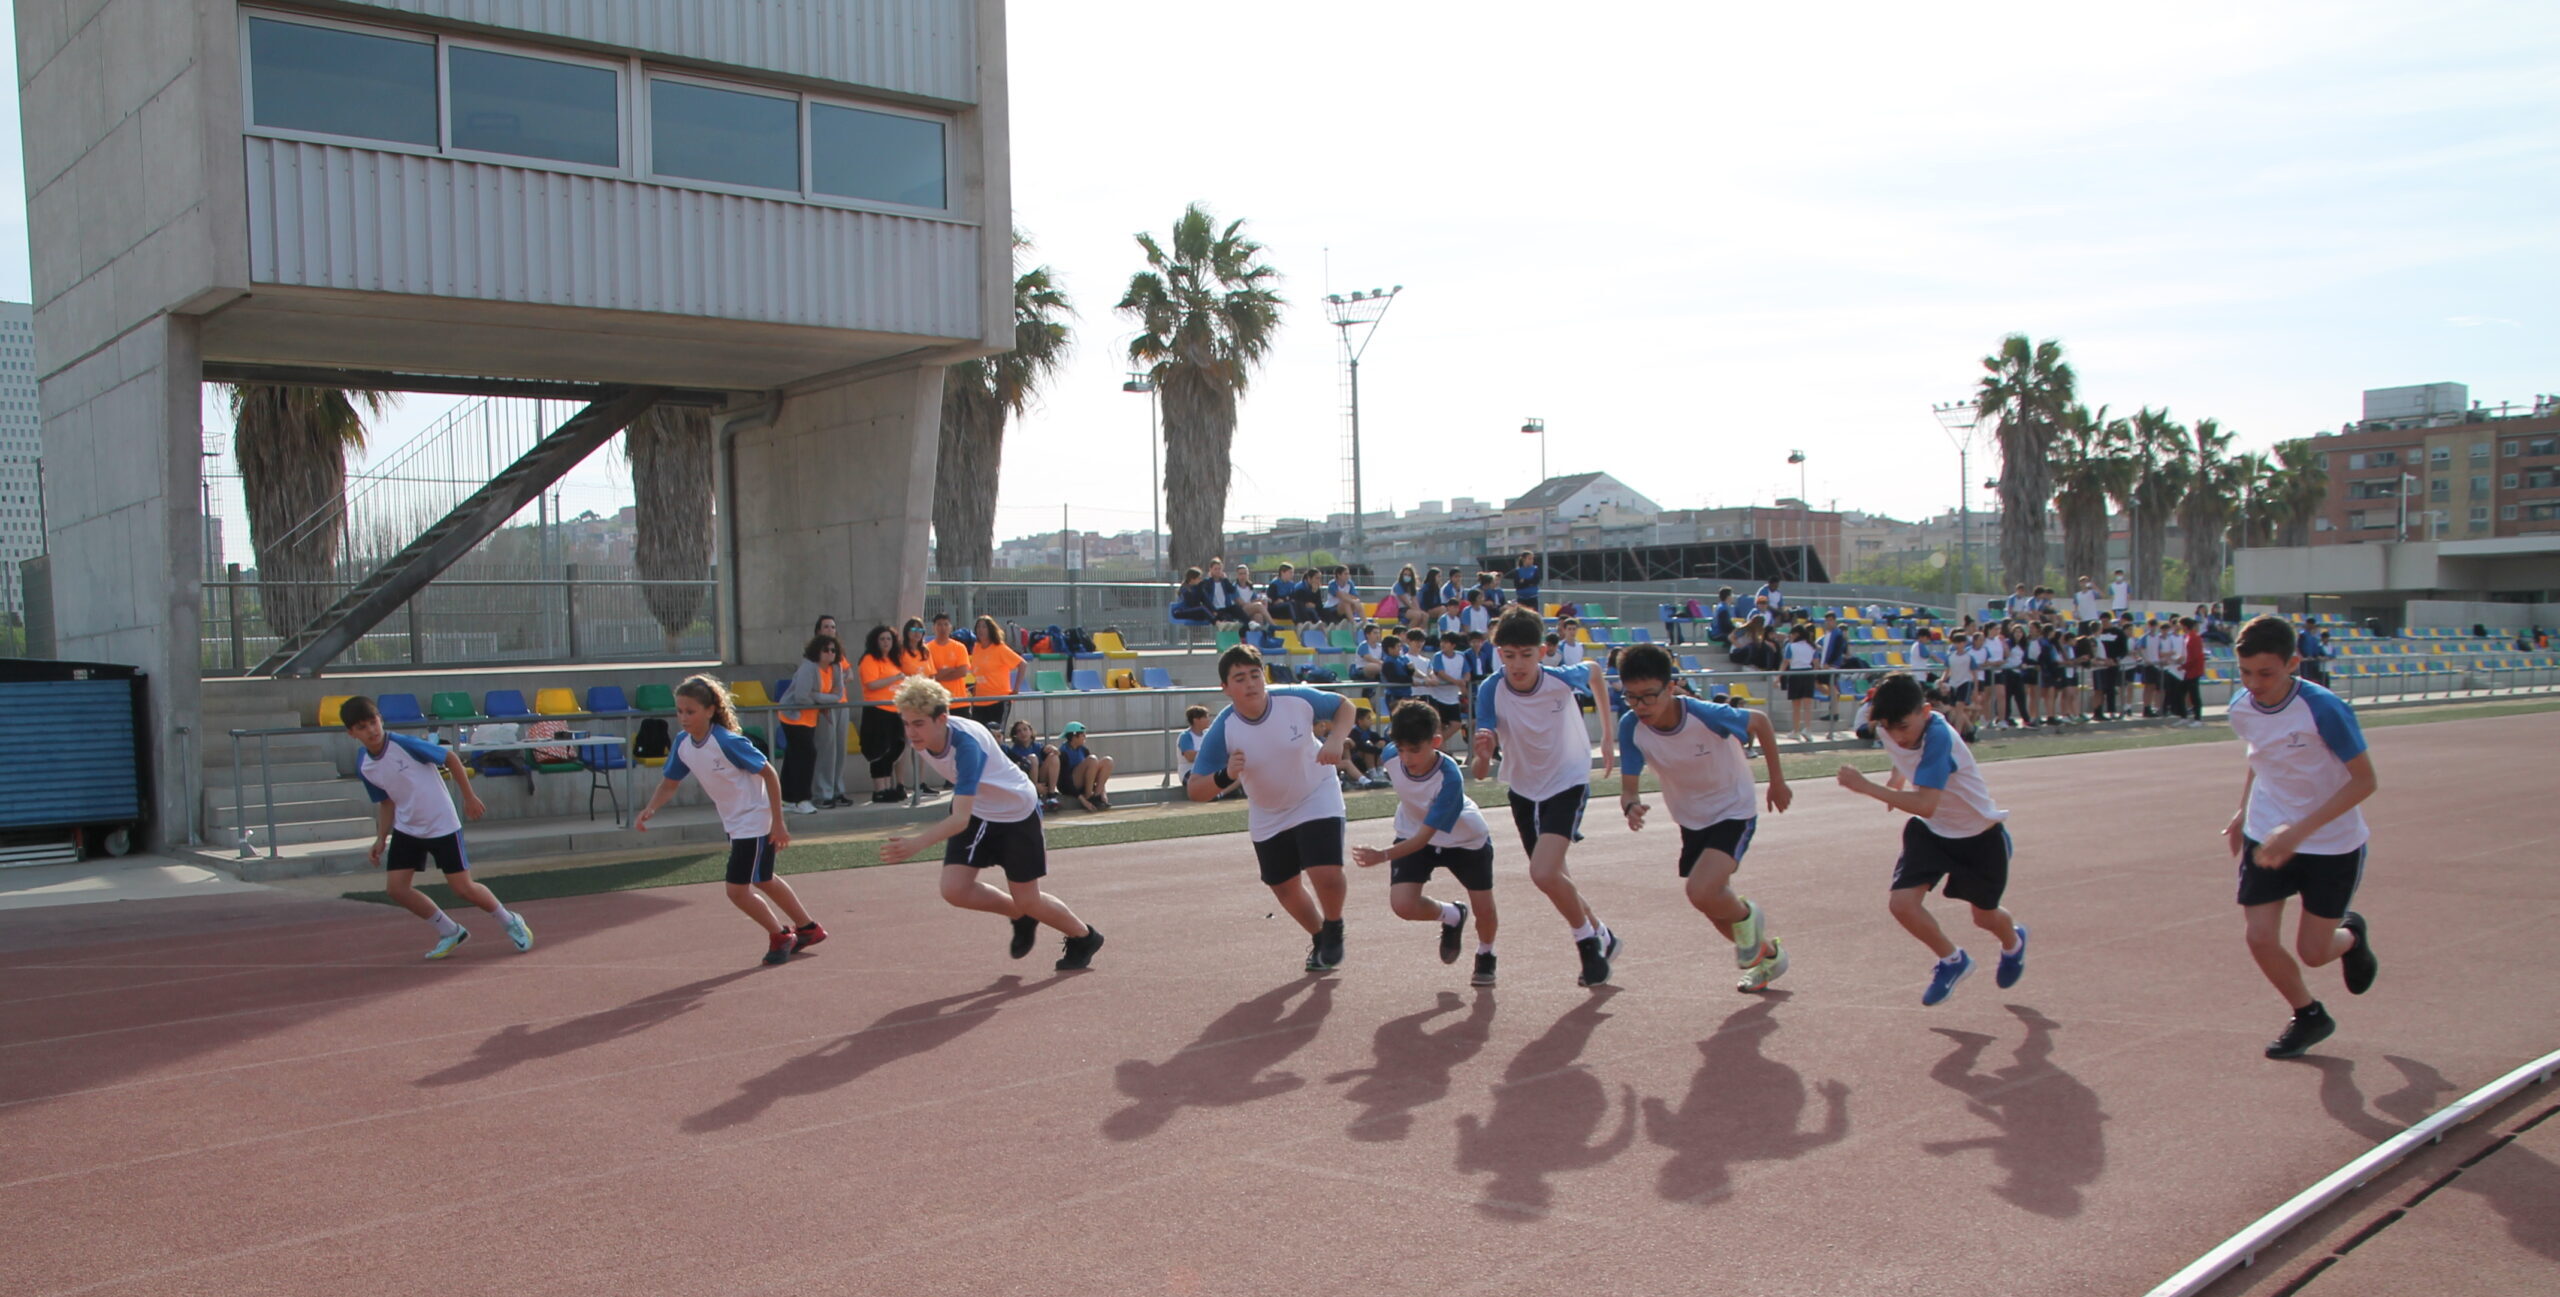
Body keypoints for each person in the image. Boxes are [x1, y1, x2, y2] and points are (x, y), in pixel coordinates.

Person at [2221, 615, 2381, 1058]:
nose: (2254, 683)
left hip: (2331, 844)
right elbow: (2261, 755)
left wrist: (2298, 832)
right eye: (2245, 673)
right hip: (2266, 831)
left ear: (2294, 662)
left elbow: (2365, 781)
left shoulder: (2324, 709)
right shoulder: (2241, 708)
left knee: (2313, 951)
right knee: (2258, 937)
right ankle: (2308, 1014)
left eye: (2266, 673)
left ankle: (2351, 936)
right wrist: (2242, 811)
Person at [879, 679, 1105, 971]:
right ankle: (1020, 914)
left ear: (942, 719)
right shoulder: (924, 736)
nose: (911, 732)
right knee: (955, 890)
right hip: (979, 810)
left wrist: (915, 844)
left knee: (1030, 899)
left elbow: (959, 819)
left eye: (918, 724)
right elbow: (963, 812)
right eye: (906, 723)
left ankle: (1084, 936)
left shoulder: (966, 746)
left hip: (1015, 813)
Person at [1833, 672, 2027, 1007]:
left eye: (1904, 728)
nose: (1897, 736)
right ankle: (1954, 961)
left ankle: (2014, 943)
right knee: (1902, 904)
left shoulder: (1939, 738)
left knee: (1984, 917)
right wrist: (1895, 779)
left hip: (1978, 836)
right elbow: (1904, 762)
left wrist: (1866, 787)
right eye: (1889, 728)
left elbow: (1925, 802)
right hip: (1932, 831)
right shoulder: (1890, 725)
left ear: (1925, 711)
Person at [1613, 645, 1792, 993]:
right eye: (1631, 698)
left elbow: (1761, 722)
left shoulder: (1704, 715)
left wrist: (1777, 781)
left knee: (1702, 891)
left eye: (1649, 696)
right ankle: (1768, 955)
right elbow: (1628, 789)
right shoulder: (1631, 727)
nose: (1640, 706)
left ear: (1671, 687)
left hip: (1733, 809)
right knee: (1711, 906)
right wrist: (1630, 805)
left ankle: (1749, 915)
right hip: (1691, 819)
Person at [1472, 606, 1621, 987]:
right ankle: (1603, 936)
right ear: (1497, 653)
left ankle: (1588, 947)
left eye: (1526, 655)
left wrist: (1607, 734)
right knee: (1556, 876)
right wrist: (1484, 754)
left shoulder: (1559, 679)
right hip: (1523, 788)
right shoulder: (1491, 689)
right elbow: (1479, 770)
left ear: (1542, 651)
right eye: (1508, 655)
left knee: (1543, 872)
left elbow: (1594, 671)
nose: (1517, 664)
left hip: (1567, 780)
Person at [1186, 644, 1355, 972]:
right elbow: (1196, 790)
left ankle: (1334, 926)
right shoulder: (1223, 729)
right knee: (1283, 886)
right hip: (1269, 811)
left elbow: (1344, 706)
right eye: (1239, 678)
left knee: (1326, 872)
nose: (1250, 683)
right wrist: (1226, 775)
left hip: (1315, 793)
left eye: (1254, 675)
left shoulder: (1293, 698)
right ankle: (1320, 936)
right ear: (1225, 688)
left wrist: (1335, 740)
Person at [636, 675, 823, 966]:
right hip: (736, 822)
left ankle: (780, 935)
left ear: (710, 710)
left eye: (690, 711)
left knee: (737, 890)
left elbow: (769, 773)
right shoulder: (684, 743)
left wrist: (778, 822)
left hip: (754, 820)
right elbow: (670, 783)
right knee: (762, 879)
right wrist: (651, 808)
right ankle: (808, 928)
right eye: (679, 711)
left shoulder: (727, 741)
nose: (683, 718)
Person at [343, 695, 528, 960]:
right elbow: (385, 802)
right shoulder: (365, 764)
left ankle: (510, 920)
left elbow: (450, 758)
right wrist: (381, 838)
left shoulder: (404, 744)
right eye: (362, 727)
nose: (371, 730)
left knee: (463, 888)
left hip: (441, 823)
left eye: (373, 722)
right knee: (396, 889)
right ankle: (450, 931)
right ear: (351, 733)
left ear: (380, 720)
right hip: (408, 828)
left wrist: (469, 797)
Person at [1352, 700, 1502, 986]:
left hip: (1464, 839)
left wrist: (1381, 855)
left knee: (1484, 906)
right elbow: (1417, 835)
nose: (1407, 757)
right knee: (1403, 905)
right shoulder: (1390, 755)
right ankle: (1452, 915)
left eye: (1415, 750)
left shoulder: (1449, 780)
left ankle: (1486, 953)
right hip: (1411, 829)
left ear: (1436, 741)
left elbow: (1424, 839)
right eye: (1402, 748)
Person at [774, 633, 842, 815]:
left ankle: (786, 798)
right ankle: (801, 799)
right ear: (817, 651)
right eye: (826, 650)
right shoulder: (808, 668)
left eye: (833, 650)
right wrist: (822, 700)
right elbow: (801, 697)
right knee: (806, 755)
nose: (830, 653)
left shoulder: (835, 669)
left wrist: (817, 698)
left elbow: (838, 696)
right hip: (793, 717)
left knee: (793, 756)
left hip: (810, 718)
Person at [856, 625, 910, 803]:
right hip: (877, 712)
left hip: (895, 711)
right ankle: (879, 789)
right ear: (875, 641)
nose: (886, 642)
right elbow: (871, 684)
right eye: (882, 639)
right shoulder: (869, 659)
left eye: (889, 639)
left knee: (894, 749)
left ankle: (888, 788)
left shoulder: (893, 661)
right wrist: (895, 679)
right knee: (878, 751)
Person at [969, 614, 1026, 731]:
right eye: (978, 627)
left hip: (998, 700)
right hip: (979, 701)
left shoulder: (999, 648)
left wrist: (1016, 689)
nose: (981, 630)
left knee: (996, 735)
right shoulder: (976, 648)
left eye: (984, 627)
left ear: (990, 629)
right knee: (980, 735)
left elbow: (1022, 664)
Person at [1419, 630, 1471, 741]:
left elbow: (1467, 672)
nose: (1442, 644)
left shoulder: (1461, 657)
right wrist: (1457, 682)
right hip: (1438, 697)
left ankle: (1436, 744)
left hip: (1452, 698)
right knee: (1439, 726)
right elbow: (1441, 673)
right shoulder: (1438, 656)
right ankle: (1440, 748)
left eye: (1446, 642)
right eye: (1442, 642)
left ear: (1453, 645)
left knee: (1456, 724)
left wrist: (1464, 681)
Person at [1002, 719, 1062, 811]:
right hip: (1026, 782)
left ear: (1031, 731)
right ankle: (1035, 796)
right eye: (1019, 731)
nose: (1023, 733)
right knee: (1033, 758)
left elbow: (1056, 754)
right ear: (1015, 735)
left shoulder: (1038, 746)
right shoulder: (1014, 751)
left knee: (1053, 756)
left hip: (1041, 778)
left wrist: (1053, 748)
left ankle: (1051, 795)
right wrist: (1035, 787)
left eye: (1025, 729)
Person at [1057, 720, 1116, 811]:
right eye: (1082, 735)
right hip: (1070, 785)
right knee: (1092, 759)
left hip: (1084, 782)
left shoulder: (1083, 750)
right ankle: (1089, 796)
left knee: (1108, 761)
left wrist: (1103, 793)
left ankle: (1097, 796)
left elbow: (1095, 770)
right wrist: (1083, 800)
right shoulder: (1063, 752)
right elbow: (1065, 781)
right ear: (1074, 736)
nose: (1085, 737)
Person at [1781, 621, 1821, 739]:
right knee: (1808, 706)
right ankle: (1808, 729)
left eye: (1792, 634)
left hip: (1795, 674)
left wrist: (1778, 677)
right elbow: (1816, 664)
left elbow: (1785, 662)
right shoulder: (1812, 646)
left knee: (1796, 706)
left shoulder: (1791, 646)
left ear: (1797, 634)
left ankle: (1796, 731)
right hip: (1808, 674)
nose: (1790, 636)